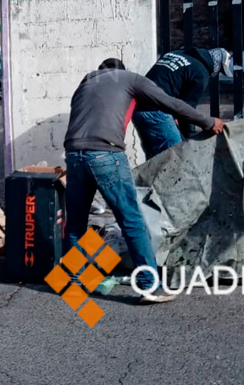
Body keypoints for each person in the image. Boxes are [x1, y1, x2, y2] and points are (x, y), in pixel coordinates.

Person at [64, 58, 225, 303]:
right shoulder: (130, 79)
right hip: (106, 153)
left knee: (75, 223)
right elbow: (171, 104)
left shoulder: (85, 84)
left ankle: (74, 284)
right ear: (121, 70)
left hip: (74, 153)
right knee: (131, 220)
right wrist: (208, 122)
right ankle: (149, 285)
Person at [133, 47, 233, 159]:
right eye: (220, 70)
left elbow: (166, 81)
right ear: (217, 63)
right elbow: (187, 109)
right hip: (157, 113)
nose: (217, 74)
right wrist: (190, 138)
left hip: (138, 110)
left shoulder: (177, 54)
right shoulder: (201, 72)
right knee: (174, 159)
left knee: (154, 161)